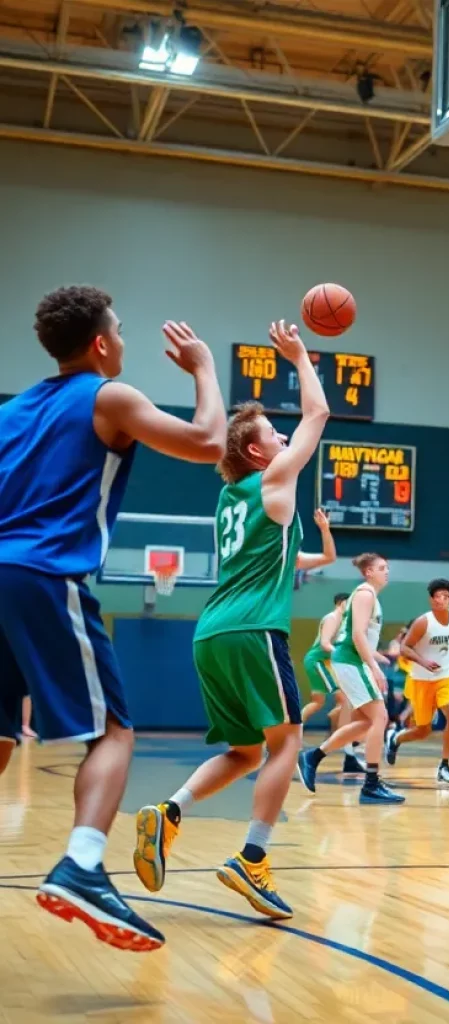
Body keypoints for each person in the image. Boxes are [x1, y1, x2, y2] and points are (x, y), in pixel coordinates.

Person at [0, 287, 225, 951]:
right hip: (43, 573)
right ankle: (83, 865)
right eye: (120, 332)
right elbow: (209, 442)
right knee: (114, 731)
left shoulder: (12, 412)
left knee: (2, 733)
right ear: (100, 343)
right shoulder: (109, 397)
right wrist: (205, 369)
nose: (123, 342)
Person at [132, 320, 329, 920]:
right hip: (252, 630)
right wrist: (299, 356)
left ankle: (168, 812)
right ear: (257, 453)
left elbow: (282, 554)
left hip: (211, 632)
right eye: (273, 433)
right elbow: (318, 414)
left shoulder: (229, 497)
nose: (285, 437)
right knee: (288, 742)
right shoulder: (276, 479)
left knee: (245, 751)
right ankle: (252, 858)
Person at [296, 554, 404, 803]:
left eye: (387, 567)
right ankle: (371, 784)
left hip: (351, 661)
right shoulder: (365, 593)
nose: (387, 571)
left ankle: (313, 757)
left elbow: (361, 636)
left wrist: (377, 656)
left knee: (366, 722)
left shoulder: (369, 595)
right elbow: (356, 635)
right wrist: (373, 667)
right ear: (368, 572)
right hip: (351, 662)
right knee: (380, 718)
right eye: (382, 568)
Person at [385, 579, 449, 782]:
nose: (440, 600)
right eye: (436, 596)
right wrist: (423, 661)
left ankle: (444, 765)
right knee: (422, 730)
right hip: (421, 679)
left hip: (446, 677)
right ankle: (395, 738)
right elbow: (404, 648)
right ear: (431, 600)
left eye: (445, 596)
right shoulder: (423, 622)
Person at [300, 589, 365, 774]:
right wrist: (342, 654)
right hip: (319, 661)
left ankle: (294, 731)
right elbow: (325, 643)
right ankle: (345, 749)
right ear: (341, 603)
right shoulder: (333, 618)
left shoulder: (343, 622)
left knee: (319, 702)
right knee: (344, 701)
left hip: (323, 662)